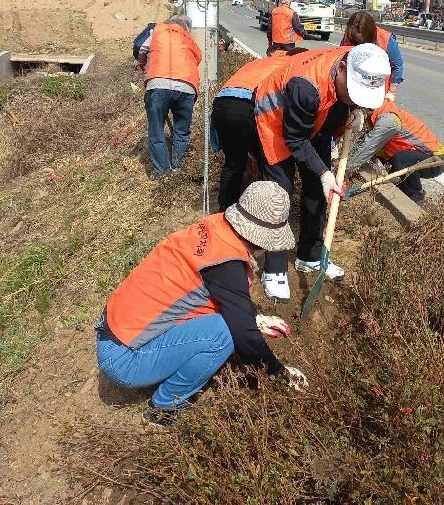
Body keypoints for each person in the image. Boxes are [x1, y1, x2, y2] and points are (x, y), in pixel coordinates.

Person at [96, 181, 308, 425]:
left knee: (228, 322)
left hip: (115, 329)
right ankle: (164, 408)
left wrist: (255, 318)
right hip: (123, 360)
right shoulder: (226, 265)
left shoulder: (215, 227)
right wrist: (280, 374)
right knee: (226, 334)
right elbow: (244, 337)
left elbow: (219, 293)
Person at [252, 44, 391, 302]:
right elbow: (294, 139)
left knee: (317, 188)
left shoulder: (363, 60)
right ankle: (273, 269)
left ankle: (310, 257)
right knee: (280, 192)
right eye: (353, 93)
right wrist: (324, 172)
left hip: (318, 114)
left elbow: (346, 95)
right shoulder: (306, 85)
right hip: (274, 120)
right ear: (341, 69)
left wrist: (355, 109)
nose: (354, 96)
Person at [210, 49, 307, 211]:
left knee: (233, 164)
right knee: (271, 163)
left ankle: (224, 211)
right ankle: (267, 214)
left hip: (223, 103)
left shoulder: (260, 62)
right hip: (253, 106)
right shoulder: (293, 65)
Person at [346, 100, 444, 204]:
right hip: (414, 155)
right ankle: (403, 184)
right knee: (387, 153)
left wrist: (346, 170)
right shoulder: (374, 113)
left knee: (400, 158)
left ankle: (416, 193)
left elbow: (369, 146)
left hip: (435, 160)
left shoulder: (388, 120)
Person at [138, 14, 202, 175]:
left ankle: (162, 171)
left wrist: (141, 62)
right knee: (182, 129)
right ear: (187, 28)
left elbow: (140, 47)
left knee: (156, 129)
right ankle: (177, 168)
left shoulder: (157, 30)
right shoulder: (189, 39)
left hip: (158, 84)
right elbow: (197, 58)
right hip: (187, 86)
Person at [341, 11, 405, 97]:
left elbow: (397, 66)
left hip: (377, 89)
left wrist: (391, 92)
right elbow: (340, 57)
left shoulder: (386, 40)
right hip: (351, 87)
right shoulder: (350, 35)